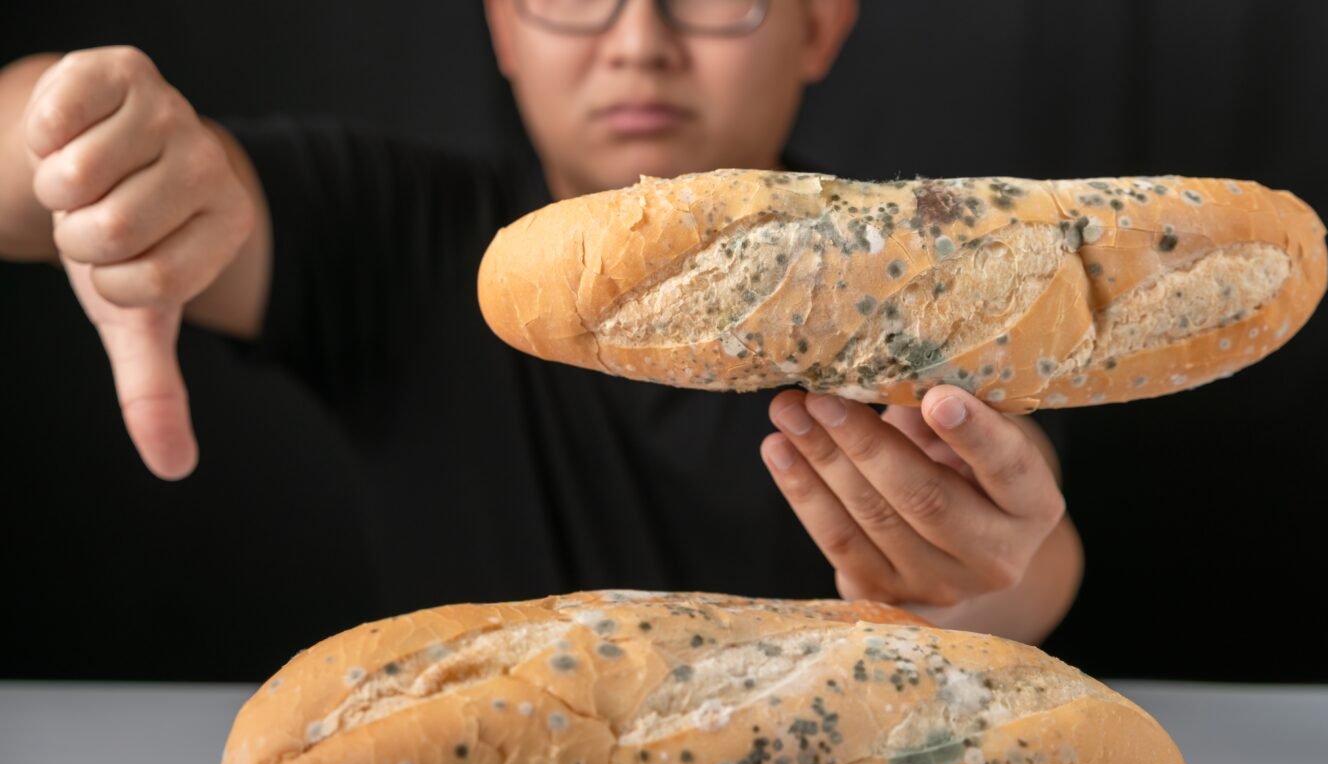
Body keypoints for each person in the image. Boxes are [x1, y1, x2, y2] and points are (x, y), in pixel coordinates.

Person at [0, 0, 1082, 647]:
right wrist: (82, 140)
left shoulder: (931, 270)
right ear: (504, 26)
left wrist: (959, 583)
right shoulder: (402, 232)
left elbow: (1030, 562)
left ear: (821, 22)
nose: (638, 39)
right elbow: (44, 173)